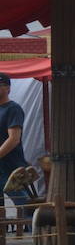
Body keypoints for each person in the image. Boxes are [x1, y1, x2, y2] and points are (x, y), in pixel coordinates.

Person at [0, 73, 29, 219]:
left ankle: (37, 235)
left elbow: (14, 139)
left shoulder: (13, 109)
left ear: (8, 89)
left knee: (23, 203)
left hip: (11, 166)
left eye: (0, 85)